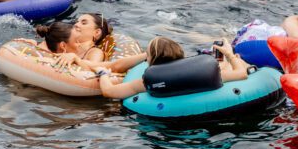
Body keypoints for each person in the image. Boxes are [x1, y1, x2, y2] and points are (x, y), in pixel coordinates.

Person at [97, 37, 250, 99]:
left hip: (168, 124)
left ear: (151, 59)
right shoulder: (203, 73)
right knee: (231, 64)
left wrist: (103, 74)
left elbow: (109, 92)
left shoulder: (146, 82)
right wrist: (230, 55)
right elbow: (242, 74)